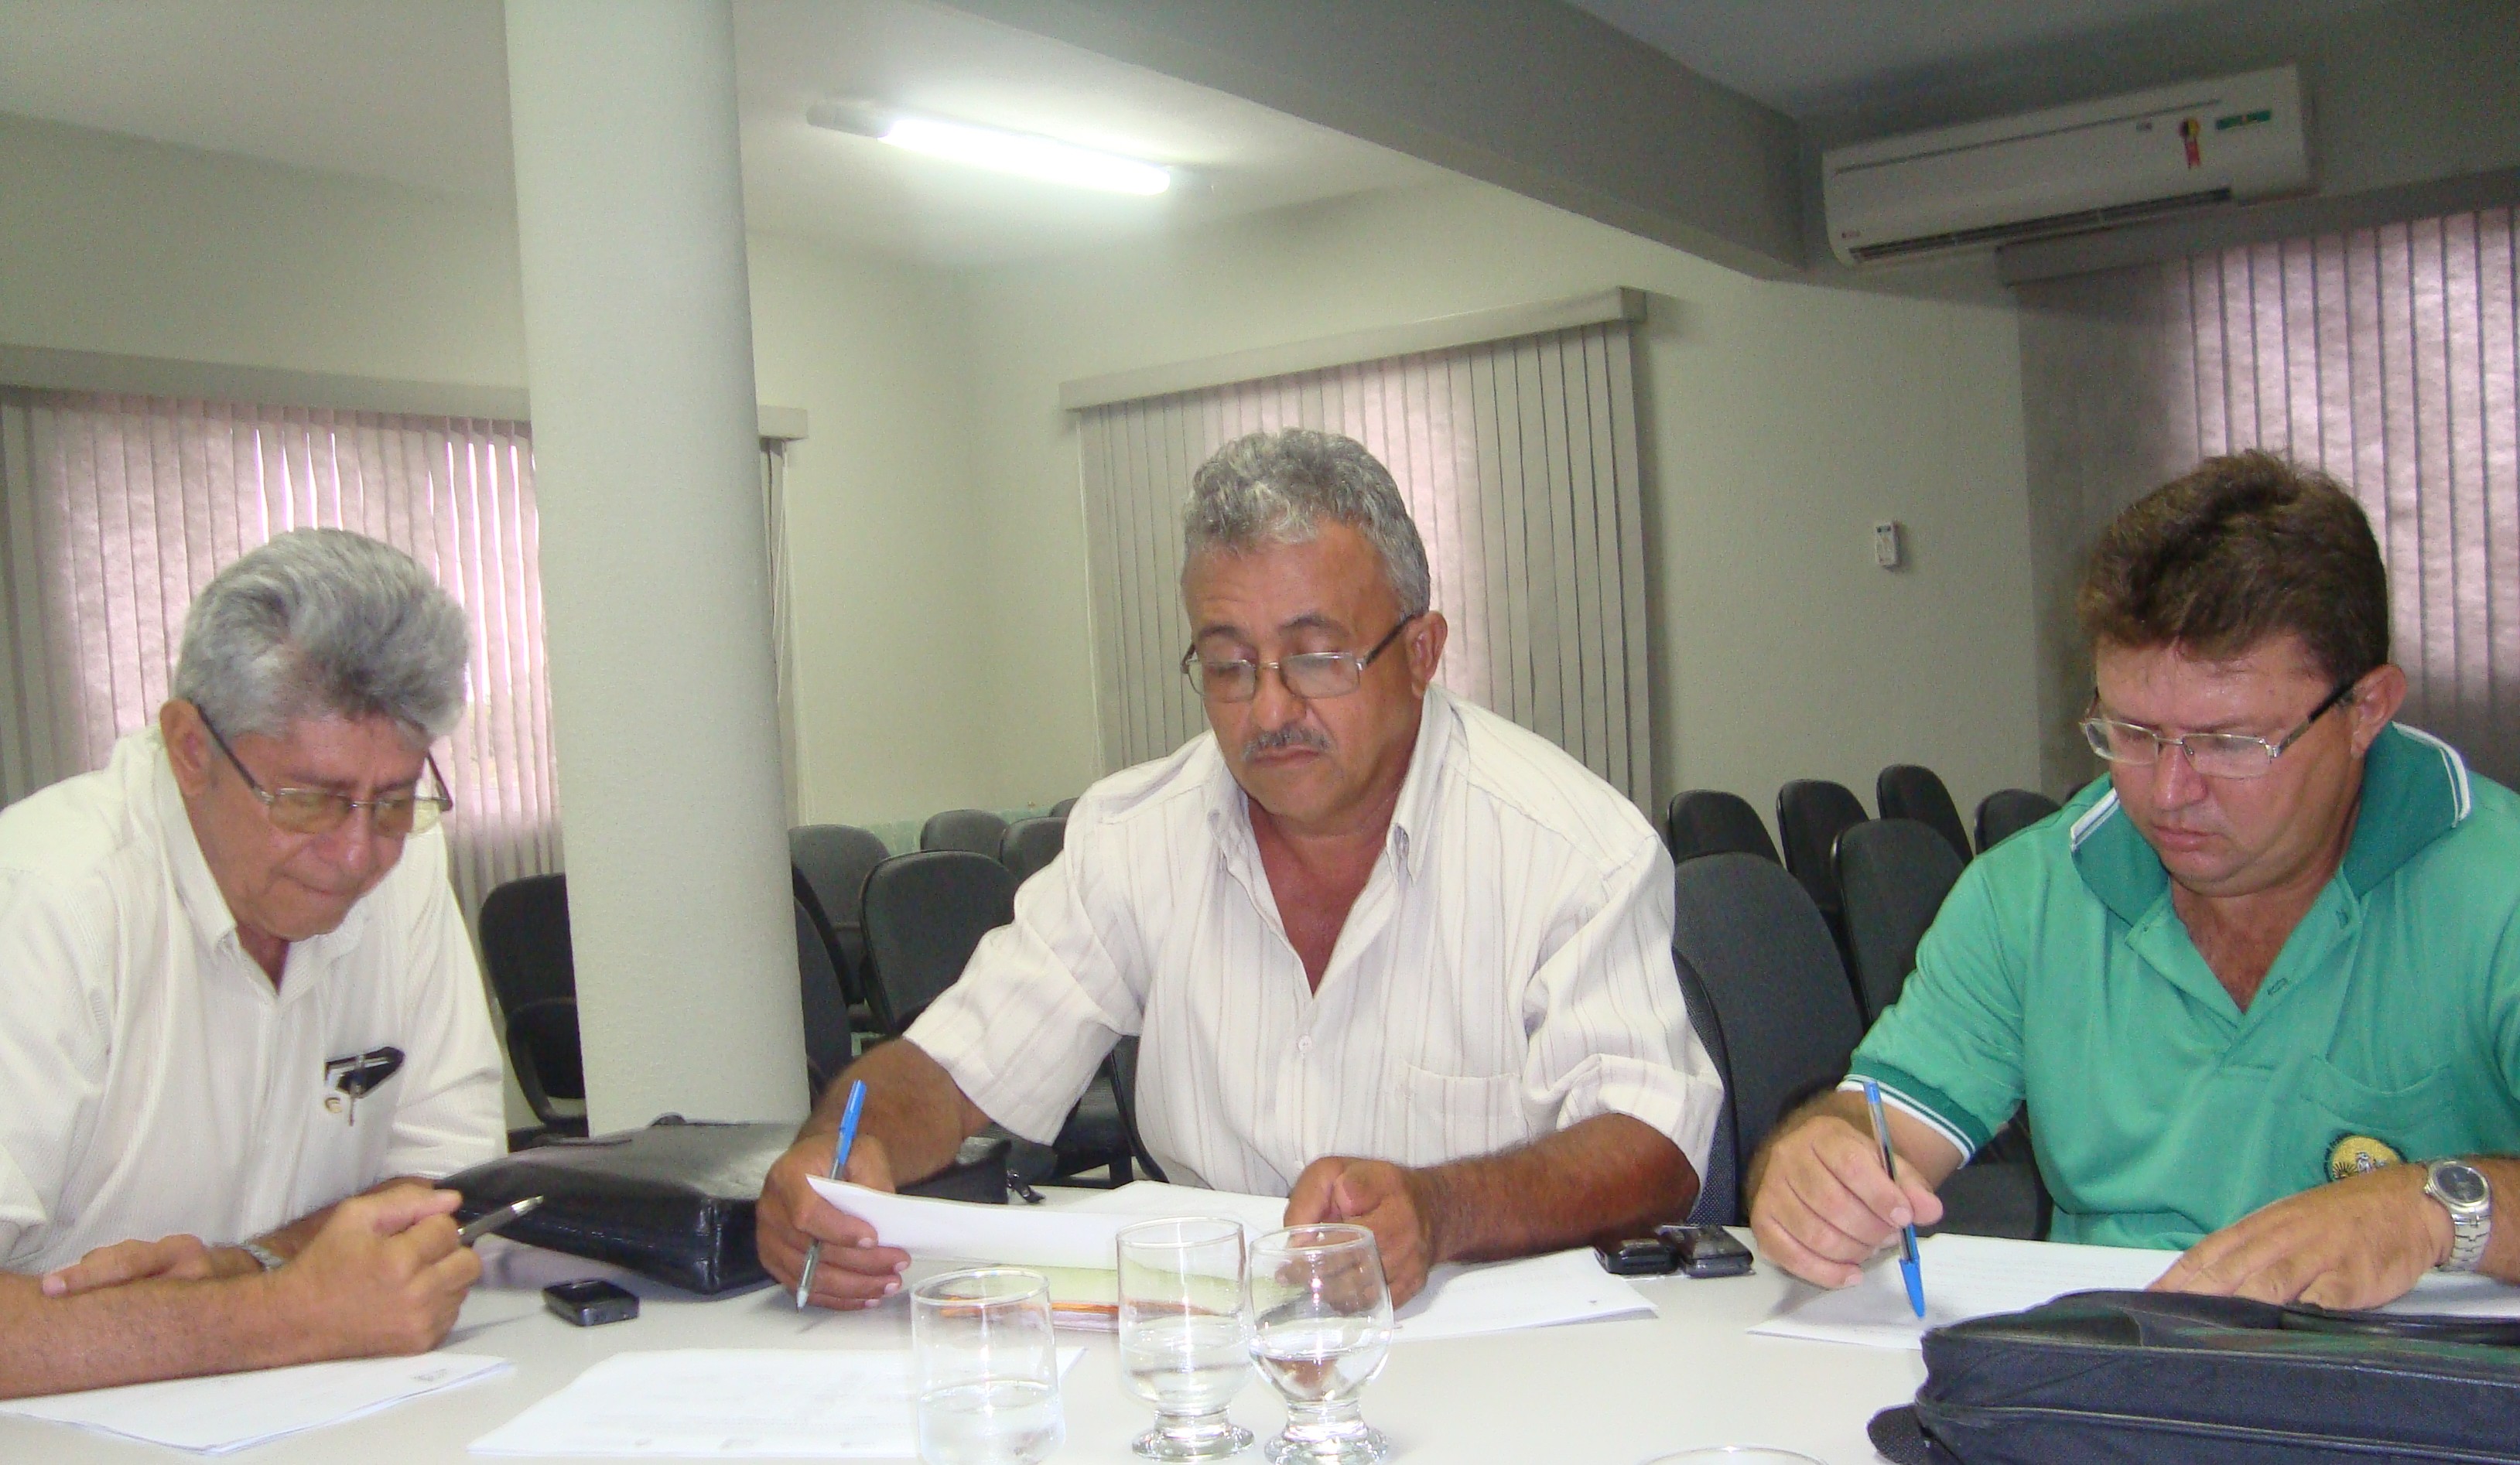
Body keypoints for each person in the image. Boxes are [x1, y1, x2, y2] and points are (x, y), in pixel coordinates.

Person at [761, 427, 1719, 1306]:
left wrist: (1441, 1209)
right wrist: (836, 1150)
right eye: (1227, 665)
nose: (1266, 711)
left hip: (1489, 1341)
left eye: (1314, 657)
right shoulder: (1136, 836)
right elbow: (946, 1070)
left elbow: (1654, 1143)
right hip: (1200, 1353)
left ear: (1420, 651)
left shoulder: (1571, 847)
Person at [1749, 451, 2520, 1309]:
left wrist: (2428, 1211)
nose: (2165, 791)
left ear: (2364, 711)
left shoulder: (2498, 887)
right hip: (2117, 1383)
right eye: (2131, 731)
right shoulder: (2031, 893)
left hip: (2421, 1389)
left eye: (2229, 743)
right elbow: (1882, 1128)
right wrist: (1819, 1163)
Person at [0, 528, 507, 1398]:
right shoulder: (44, 898)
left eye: (391, 800)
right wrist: (280, 1315)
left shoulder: (406, 864)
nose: (356, 854)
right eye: (308, 800)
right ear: (191, 749)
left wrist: (249, 1266)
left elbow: (449, 1190)